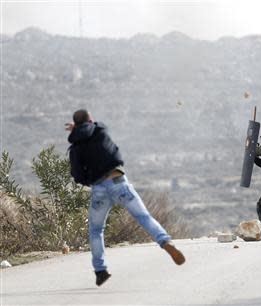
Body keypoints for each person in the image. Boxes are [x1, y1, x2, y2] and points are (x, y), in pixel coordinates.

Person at [66, 109, 185, 287]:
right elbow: (94, 127)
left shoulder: (75, 147)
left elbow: (77, 175)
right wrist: (80, 127)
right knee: (144, 217)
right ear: (91, 119)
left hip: (99, 188)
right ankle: (165, 241)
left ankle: (100, 271)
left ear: (75, 124)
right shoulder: (100, 130)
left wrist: (91, 180)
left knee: (96, 231)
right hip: (118, 181)